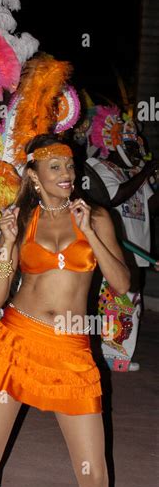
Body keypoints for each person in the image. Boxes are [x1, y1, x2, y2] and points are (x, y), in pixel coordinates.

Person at [0, 134, 130, 487]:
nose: (67, 174)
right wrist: (6, 246)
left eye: (70, 166)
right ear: (34, 175)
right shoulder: (20, 219)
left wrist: (90, 233)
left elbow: (123, 284)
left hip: (71, 351)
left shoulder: (98, 217)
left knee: (93, 473)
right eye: (55, 167)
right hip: (16, 341)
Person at [87, 106, 159, 371]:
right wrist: (145, 172)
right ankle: (110, 353)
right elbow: (114, 197)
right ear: (114, 146)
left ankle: (119, 355)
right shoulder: (98, 168)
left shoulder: (133, 173)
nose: (135, 154)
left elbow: (150, 206)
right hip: (116, 247)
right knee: (115, 298)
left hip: (139, 246)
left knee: (132, 300)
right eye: (129, 148)